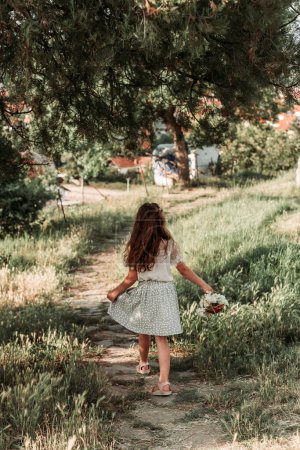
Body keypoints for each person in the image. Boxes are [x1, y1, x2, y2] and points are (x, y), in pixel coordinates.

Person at [107, 202, 214, 396]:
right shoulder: (168, 243)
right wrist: (203, 285)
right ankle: (163, 381)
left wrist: (115, 292)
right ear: (160, 220)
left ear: (139, 222)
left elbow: (131, 279)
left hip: (147, 291)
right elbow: (183, 269)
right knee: (161, 337)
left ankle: (144, 365)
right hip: (165, 292)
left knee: (143, 326)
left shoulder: (135, 245)